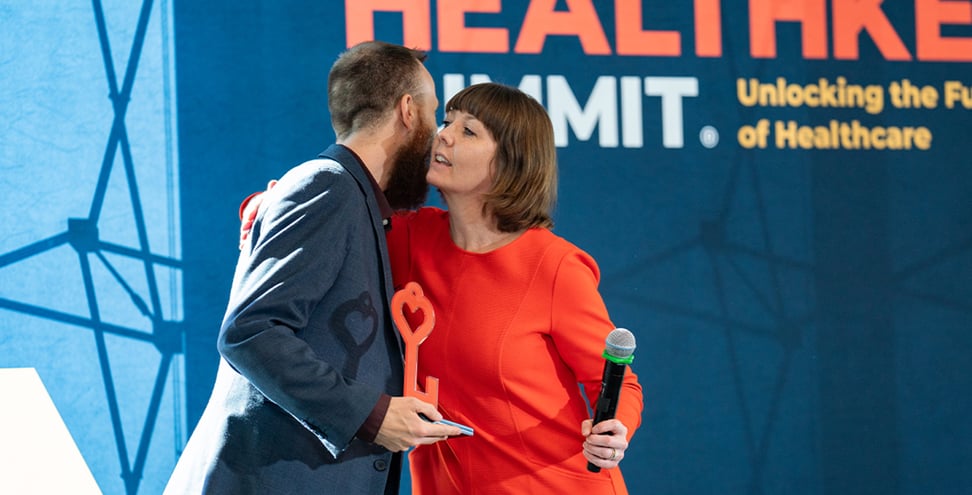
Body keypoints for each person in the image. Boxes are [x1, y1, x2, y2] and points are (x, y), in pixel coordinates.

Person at [242, 82, 643, 494]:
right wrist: (265, 203)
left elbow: (617, 383)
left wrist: (615, 429)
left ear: (510, 161)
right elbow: (319, 215)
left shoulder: (555, 266)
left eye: (469, 131)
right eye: (448, 122)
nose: (444, 135)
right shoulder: (408, 236)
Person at [164, 40, 460, 495]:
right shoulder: (329, 187)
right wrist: (371, 414)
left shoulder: (353, 198)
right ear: (407, 110)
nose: (438, 134)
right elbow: (251, 332)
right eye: (433, 112)